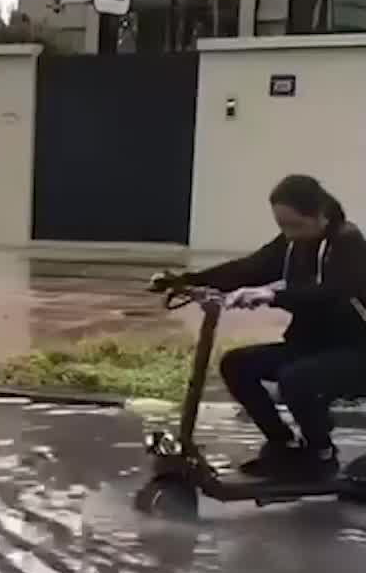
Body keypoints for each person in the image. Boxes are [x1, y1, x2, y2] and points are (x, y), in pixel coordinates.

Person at [153, 174, 366, 479]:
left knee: (297, 379)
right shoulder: (293, 243)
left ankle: (321, 454)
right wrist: (185, 280)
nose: (289, 233)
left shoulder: (347, 241)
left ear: (320, 215)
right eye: (282, 226)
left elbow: (334, 293)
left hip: (355, 351)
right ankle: (284, 445)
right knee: (236, 364)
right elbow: (250, 268)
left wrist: (272, 294)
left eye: (295, 225)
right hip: (311, 347)